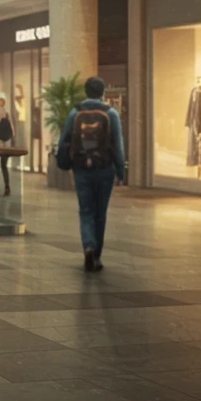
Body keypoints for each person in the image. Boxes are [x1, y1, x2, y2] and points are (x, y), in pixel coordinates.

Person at [57, 77, 124, 273]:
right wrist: (121, 170)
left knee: (86, 210)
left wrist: (64, 163)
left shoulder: (75, 113)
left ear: (86, 92)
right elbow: (118, 145)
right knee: (100, 213)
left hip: (81, 170)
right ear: (103, 93)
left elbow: (63, 140)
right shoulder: (111, 114)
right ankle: (96, 256)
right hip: (104, 170)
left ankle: (88, 246)